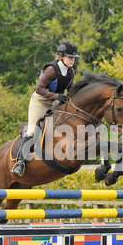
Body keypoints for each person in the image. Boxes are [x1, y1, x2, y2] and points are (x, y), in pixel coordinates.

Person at [12, 41, 79, 176]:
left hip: (55, 102)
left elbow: (71, 90)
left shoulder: (70, 71)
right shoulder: (51, 70)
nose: (72, 60)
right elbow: (38, 88)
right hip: (40, 101)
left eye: (73, 57)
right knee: (32, 131)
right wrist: (56, 96)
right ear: (61, 56)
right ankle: (20, 162)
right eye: (69, 57)